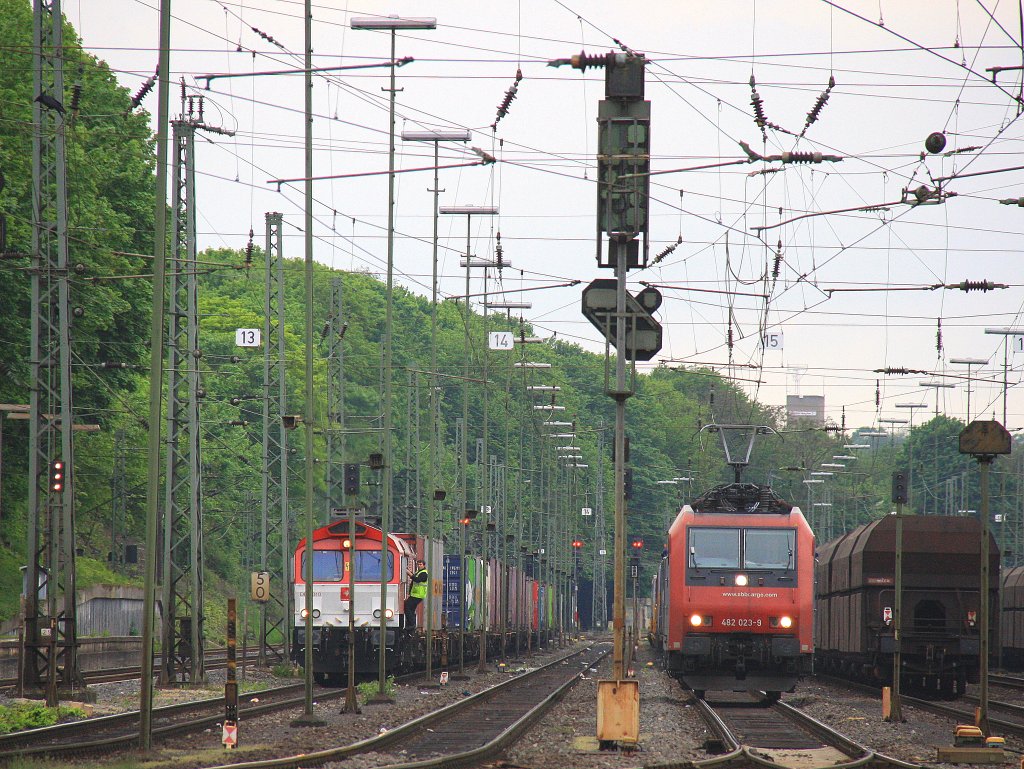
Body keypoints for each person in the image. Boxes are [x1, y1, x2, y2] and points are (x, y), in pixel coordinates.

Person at [404, 559, 428, 629]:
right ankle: (410, 624)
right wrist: (409, 593)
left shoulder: (424, 573)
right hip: (414, 594)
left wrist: (410, 574)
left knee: (407, 606)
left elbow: (417, 580)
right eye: (418, 564)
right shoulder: (418, 572)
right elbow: (413, 583)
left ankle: (412, 624)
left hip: (418, 595)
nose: (419, 566)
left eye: (421, 564)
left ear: (424, 565)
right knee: (411, 609)